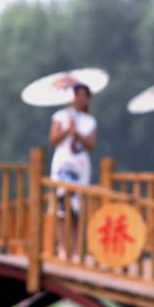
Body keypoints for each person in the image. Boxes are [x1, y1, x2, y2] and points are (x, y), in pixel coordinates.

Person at [48, 83, 97, 259]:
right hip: (62, 164)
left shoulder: (89, 121)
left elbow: (91, 145)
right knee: (61, 207)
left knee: (76, 208)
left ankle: (75, 248)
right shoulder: (61, 116)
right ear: (73, 97)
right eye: (78, 95)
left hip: (80, 166)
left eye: (85, 96)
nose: (81, 99)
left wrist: (78, 133)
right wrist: (67, 130)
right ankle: (63, 246)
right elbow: (53, 139)